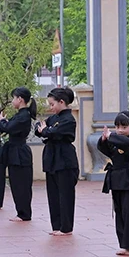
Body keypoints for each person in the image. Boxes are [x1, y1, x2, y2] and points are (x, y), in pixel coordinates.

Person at [98, 111, 129, 256]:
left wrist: (112, 136)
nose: (120, 130)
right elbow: (103, 148)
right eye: (117, 127)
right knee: (119, 213)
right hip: (117, 179)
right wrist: (105, 139)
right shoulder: (116, 139)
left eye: (124, 127)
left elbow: (126, 143)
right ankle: (124, 244)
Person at [35, 87, 78, 236]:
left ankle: (66, 227)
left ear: (62, 102)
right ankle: (56, 226)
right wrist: (45, 130)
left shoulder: (69, 120)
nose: (50, 107)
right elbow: (39, 128)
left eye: (52, 104)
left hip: (65, 159)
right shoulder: (53, 119)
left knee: (65, 194)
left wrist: (46, 130)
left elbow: (52, 132)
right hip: (52, 158)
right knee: (52, 194)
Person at [0, 87, 37, 223]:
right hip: (14, 150)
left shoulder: (24, 116)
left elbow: (8, 128)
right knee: (16, 183)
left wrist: (1, 121)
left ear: (20, 99)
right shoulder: (20, 115)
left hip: (19, 152)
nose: (12, 101)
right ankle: (21, 211)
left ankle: (24, 213)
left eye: (14, 98)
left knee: (21, 184)